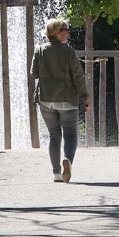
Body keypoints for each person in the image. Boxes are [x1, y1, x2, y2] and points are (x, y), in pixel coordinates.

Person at [30, 18, 91, 182]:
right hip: (66, 99)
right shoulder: (68, 52)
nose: (68, 33)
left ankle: (56, 173)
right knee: (70, 135)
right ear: (58, 32)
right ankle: (68, 160)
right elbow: (78, 76)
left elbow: (34, 73)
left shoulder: (39, 50)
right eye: (66, 30)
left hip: (45, 99)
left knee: (54, 136)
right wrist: (85, 97)